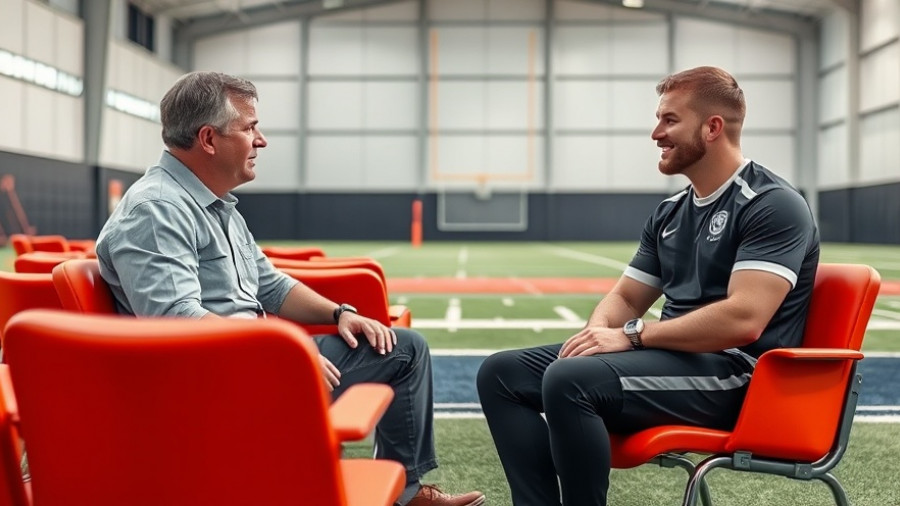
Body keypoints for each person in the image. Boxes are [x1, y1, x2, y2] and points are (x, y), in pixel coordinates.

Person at [95, 71, 484, 506]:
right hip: (214, 385)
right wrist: (283, 353)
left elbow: (268, 284)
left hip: (256, 364)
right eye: (249, 128)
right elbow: (174, 323)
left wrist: (341, 314)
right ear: (208, 139)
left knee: (402, 349)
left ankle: (404, 495)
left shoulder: (214, 204)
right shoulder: (157, 209)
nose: (261, 140)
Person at [476, 66, 819, 506]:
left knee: (569, 380)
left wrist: (631, 336)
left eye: (670, 120)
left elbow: (744, 319)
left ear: (712, 128)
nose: (656, 133)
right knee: (501, 374)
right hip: (672, 363)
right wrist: (596, 336)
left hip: (739, 377)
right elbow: (625, 297)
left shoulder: (773, 205)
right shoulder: (671, 212)